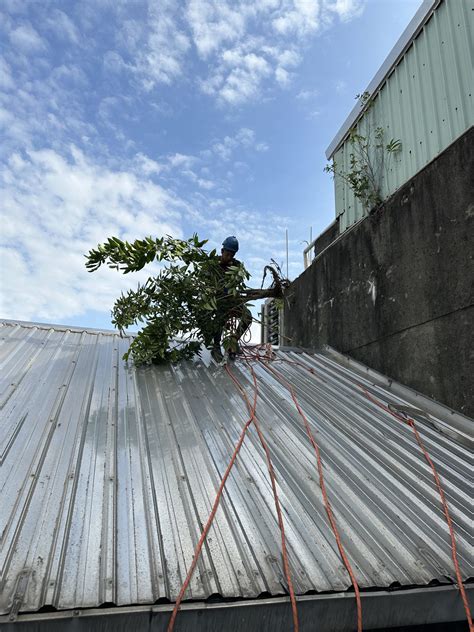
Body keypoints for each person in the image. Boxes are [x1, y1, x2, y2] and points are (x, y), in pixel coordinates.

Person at [211, 236, 252, 362]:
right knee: (220, 319)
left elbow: (239, 279)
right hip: (218, 301)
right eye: (227, 254)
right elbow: (206, 284)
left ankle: (232, 342)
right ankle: (216, 346)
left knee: (247, 316)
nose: (229, 257)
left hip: (232, 300)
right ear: (222, 251)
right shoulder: (212, 265)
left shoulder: (236, 265)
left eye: (232, 255)